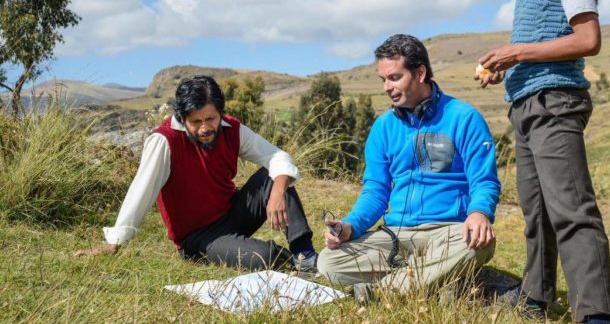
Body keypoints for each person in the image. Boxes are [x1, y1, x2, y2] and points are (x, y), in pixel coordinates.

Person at [477, 0, 610, 324]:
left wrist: (519, 52)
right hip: (528, 108)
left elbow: (587, 39)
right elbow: (544, 46)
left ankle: (597, 320)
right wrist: (510, 66)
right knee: (537, 211)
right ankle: (536, 298)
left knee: (572, 211)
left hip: (556, 104)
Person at [318, 34, 501, 301]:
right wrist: (349, 227)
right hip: (396, 237)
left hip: (449, 233)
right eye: (383, 80)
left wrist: (479, 212)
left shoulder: (464, 118)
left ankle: (380, 293)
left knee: (478, 245)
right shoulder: (383, 127)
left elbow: (484, 181)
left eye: (394, 78)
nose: (386, 87)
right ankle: (433, 281)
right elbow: (376, 192)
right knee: (328, 262)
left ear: (420, 73)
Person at [75, 75, 318, 273]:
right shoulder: (164, 141)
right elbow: (141, 190)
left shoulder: (231, 128)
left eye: (211, 118)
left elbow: (277, 156)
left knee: (274, 176)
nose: (204, 127)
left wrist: (277, 190)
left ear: (220, 113)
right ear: (182, 118)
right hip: (198, 239)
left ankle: (305, 255)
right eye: (195, 121)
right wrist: (114, 243)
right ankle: (288, 261)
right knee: (264, 257)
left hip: (232, 216)